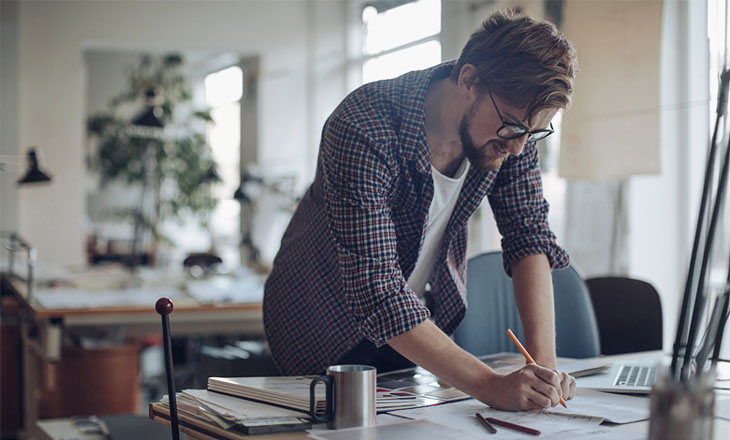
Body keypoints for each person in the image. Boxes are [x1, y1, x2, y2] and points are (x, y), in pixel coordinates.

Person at [263, 10, 578, 411]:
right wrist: (490, 386)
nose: (518, 148)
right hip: (318, 321)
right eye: (515, 129)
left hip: (412, 325)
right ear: (468, 81)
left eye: (533, 134)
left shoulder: (512, 126)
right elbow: (377, 290)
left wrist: (543, 372)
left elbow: (528, 235)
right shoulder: (363, 126)